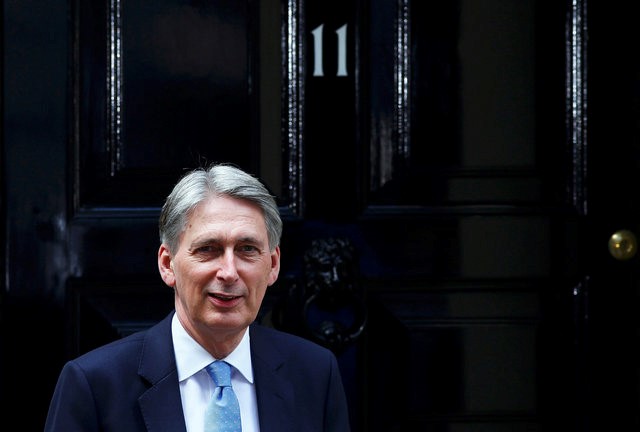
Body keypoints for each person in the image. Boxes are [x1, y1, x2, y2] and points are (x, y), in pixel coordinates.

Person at [44, 163, 351, 431]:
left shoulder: (314, 374)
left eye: (247, 250)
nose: (229, 272)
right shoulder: (95, 385)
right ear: (168, 265)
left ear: (273, 265)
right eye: (208, 249)